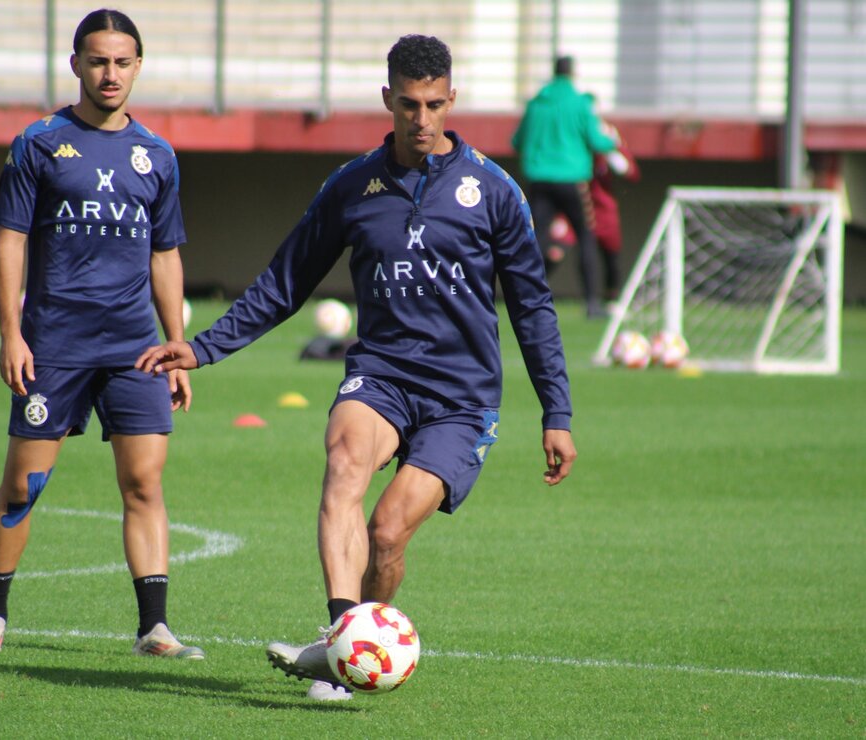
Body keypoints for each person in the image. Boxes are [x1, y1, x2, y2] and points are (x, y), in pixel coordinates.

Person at [137, 34, 576, 700]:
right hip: (382, 376)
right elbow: (285, 282)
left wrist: (557, 413)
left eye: (433, 104)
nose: (421, 118)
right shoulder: (352, 186)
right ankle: (345, 649)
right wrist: (203, 347)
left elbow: (534, 308)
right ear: (387, 100)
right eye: (408, 104)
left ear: (451, 99)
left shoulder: (493, 191)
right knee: (344, 466)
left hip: (462, 399)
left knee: (388, 531)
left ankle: (346, 648)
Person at [0, 8, 202, 661]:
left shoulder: (157, 154)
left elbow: (166, 254)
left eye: (123, 62)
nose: (110, 73)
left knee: (145, 484)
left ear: (138, 67)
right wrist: (11, 332)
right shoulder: (38, 143)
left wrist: (178, 344)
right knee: (23, 486)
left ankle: (153, 626)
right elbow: (9, 242)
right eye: (98, 61)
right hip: (55, 342)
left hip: (136, 347)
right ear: (76, 65)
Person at [511, 55, 616, 318]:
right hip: (572, 180)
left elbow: (517, 141)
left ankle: (527, 300)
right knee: (585, 237)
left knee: (537, 240)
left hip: (539, 180)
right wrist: (612, 141)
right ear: (572, 74)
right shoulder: (581, 103)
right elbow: (597, 141)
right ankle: (592, 303)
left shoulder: (536, 104)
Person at [544, 120, 640, 303]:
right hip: (576, 205)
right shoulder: (576, 151)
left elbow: (631, 173)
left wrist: (610, 151)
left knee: (610, 254)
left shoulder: (610, 152)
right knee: (555, 248)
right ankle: (532, 290)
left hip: (603, 210)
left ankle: (611, 297)